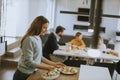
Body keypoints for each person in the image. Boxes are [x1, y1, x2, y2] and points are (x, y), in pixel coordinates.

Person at [13, 16, 65, 80]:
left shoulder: (38, 38)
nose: (46, 30)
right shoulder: (29, 39)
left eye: (47, 28)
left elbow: (40, 57)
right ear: (37, 26)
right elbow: (28, 62)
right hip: (23, 74)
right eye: (44, 28)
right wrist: (47, 68)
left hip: (33, 72)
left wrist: (54, 64)